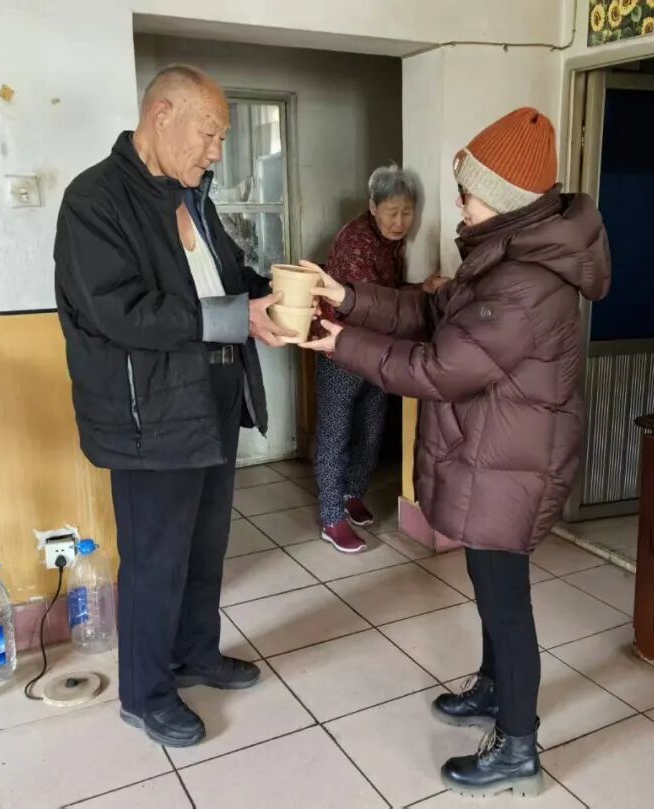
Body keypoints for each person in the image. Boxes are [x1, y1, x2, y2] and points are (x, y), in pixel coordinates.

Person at [302, 107, 610, 797]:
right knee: (490, 587)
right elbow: (430, 315)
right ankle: (494, 689)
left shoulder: (525, 282)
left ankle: (519, 748)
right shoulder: (505, 257)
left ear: (504, 198)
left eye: (468, 194)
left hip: (512, 465)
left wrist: (340, 342)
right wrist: (345, 297)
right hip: (495, 457)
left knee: (506, 603)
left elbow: (439, 368)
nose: (460, 206)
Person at [54, 65, 294, 748]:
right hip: (148, 413)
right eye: (209, 134)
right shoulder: (94, 200)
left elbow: (225, 278)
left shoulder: (194, 196)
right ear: (162, 115)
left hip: (210, 397)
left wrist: (272, 294)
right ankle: (146, 693)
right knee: (155, 557)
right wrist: (235, 317)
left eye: (221, 139)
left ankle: (195, 654)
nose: (216, 151)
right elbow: (121, 311)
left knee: (205, 545)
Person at [314, 164, 418, 553]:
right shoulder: (355, 242)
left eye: (407, 212)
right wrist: (417, 296)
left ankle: (352, 493)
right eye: (391, 212)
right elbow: (370, 306)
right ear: (373, 207)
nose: (399, 221)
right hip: (339, 348)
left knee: (372, 427)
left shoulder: (392, 244)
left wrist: (421, 288)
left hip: (375, 350)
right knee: (336, 432)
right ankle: (331, 517)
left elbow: (388, 295)